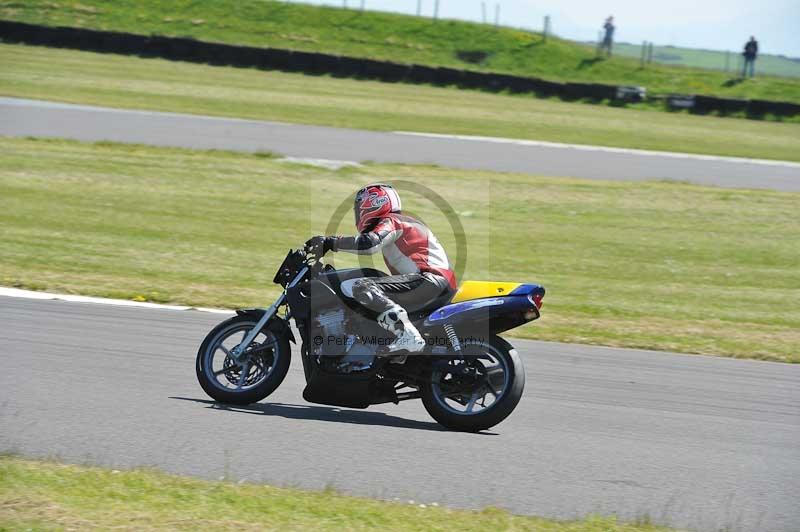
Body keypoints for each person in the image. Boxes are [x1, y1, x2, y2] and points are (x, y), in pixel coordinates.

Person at [305, 184, 456, 355]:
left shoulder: (392, 221)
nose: (358, 213)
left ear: (374, 203)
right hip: (432, 282)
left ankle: (407, 334)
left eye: (359, 208)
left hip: (430, 280)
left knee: (365, 286)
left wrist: (331, 242)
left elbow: (369, 243)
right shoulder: (401, 223)